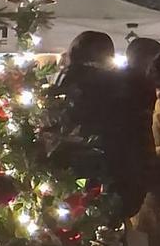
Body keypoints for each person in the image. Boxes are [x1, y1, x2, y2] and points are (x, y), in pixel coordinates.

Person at [46, 31, 153, 217]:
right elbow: (139, 142)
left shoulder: (60, 90)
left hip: (65, 185)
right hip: (120, 182)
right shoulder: (129, 90)